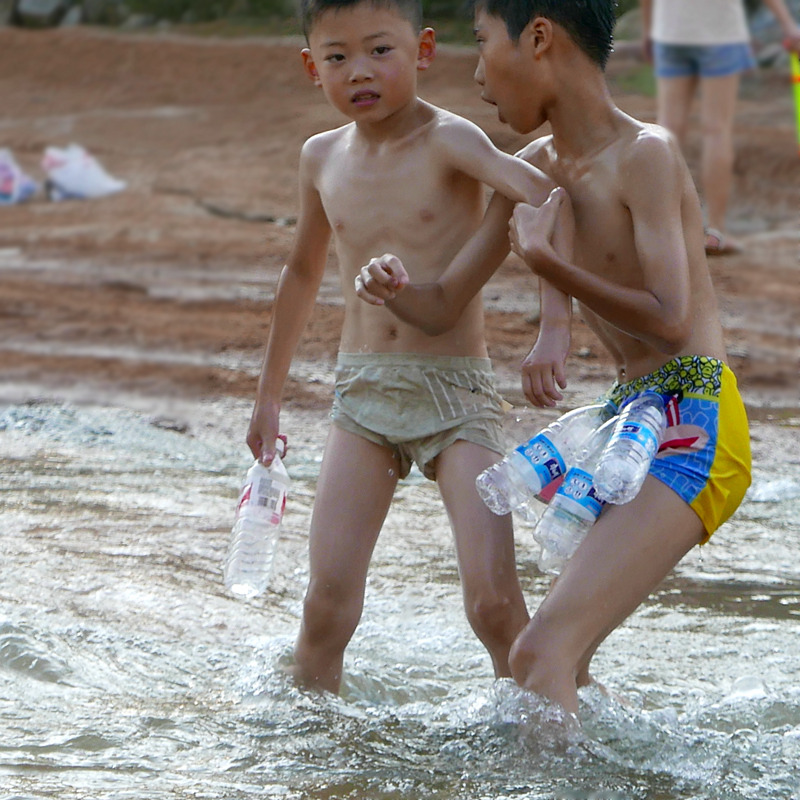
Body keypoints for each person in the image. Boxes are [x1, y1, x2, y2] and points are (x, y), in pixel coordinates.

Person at [355, 0, 752, 716]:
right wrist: (393, 289)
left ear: (538, 38)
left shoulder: (646, 155)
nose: (477, 77)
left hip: (697, 420)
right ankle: (625, 772)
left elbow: (672, 320)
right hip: (628, 423)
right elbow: (444, 303)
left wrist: (550, 272)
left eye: (482, 45)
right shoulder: (532, 167)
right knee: (555, 661)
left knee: (539, 654)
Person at [246, 0, 559, 694]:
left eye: (379, 51)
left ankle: (552, 735)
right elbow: (301, 272)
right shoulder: (320, 156)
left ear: (421, 51)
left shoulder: (453, 140)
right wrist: (268, 396)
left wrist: (554, 325)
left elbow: (546, 199)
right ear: (311, 67)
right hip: (362, 396)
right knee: (326, 605)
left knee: (493, 605)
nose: (359, 71)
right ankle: (313, 754)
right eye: (337, 57)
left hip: (457, 396)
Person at [640, 0, 800, 256]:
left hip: (671, 31)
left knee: (669, 130)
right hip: (720, 33)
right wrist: (788, 25)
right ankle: (715, 231)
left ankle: (664, 229)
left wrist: (648, 30)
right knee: (717, 130)